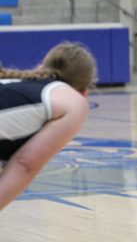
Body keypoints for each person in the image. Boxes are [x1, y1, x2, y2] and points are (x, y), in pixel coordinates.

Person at [0, 42, 96, 211]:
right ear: (84, 91)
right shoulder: (74, 102)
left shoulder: (13, 83)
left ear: (41, 68)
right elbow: (26, 164)